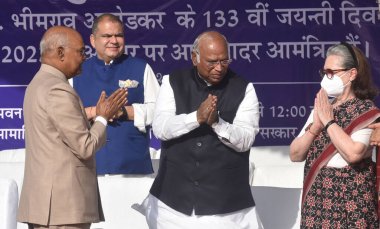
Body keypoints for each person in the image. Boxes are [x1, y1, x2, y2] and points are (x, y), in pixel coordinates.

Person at [142, 30, 262, 229]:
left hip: (226, 208)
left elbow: (246, 139)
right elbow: (161, 129)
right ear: (194, 58)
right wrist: (196, 118)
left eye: (224, 61)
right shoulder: (172, 82)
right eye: (212, 61)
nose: (219, 68)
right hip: (171, 204)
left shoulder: (244, 88)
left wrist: (217, 123)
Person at [17, 26, 127, 229]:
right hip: (63, 207)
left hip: (49, 206)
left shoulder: (38, 83)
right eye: (81, 51)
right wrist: (103, 118)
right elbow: (85, 146)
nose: (84, 57)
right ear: (60, 52)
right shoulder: (58, 89)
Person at [72, 13, 160, 228]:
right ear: (93, 41)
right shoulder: (76, 71)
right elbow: (65, 115)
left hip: (133, 171)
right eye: (107, 35)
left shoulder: (141, 68)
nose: (114, 40)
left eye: (119, 35)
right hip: (90, 170)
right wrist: (96, 112)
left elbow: (160, 113)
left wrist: (123, 112)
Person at [289, 43, 380, 228]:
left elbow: (354, 153)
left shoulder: (366, 112)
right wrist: (315, 126)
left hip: (350, 205)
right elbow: (295, 154)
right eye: (324, 73)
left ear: (352, 74)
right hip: (317, 204)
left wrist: (329, 123)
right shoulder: (322, 107)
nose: (326, 78)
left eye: (332, 72)